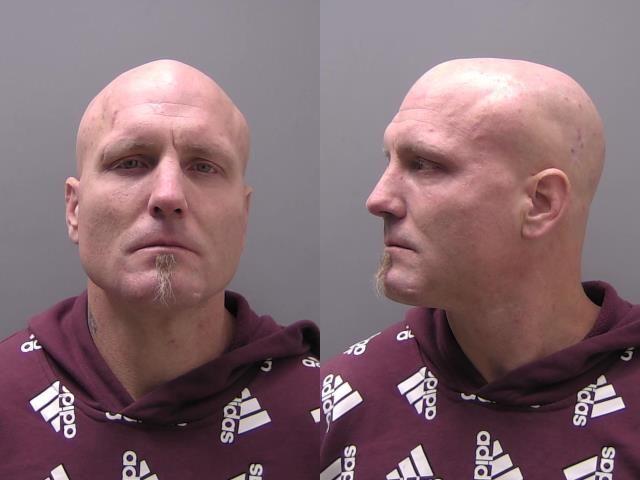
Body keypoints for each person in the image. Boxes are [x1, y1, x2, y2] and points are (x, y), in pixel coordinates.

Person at [320, 58, 640, 479]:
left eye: (424, 164)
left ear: (540, 202)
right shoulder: (338, 399)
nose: (378, 199)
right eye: (390, 161)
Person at [0, 60, 319, 479]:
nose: (168, 195)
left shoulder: (325, 411)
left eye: (203, 166)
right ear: (75, 209)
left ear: (243, 217)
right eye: (131, 162)